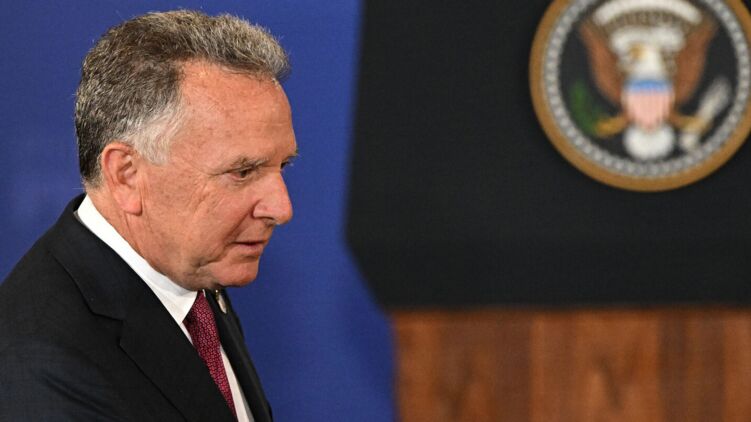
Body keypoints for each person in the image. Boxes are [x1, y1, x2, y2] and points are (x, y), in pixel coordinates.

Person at [0, 10, 297, 422]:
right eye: (242, 172)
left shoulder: (189, 272)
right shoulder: (39, 364)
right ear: (126, 175)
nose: (281, 208)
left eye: (283, 166)